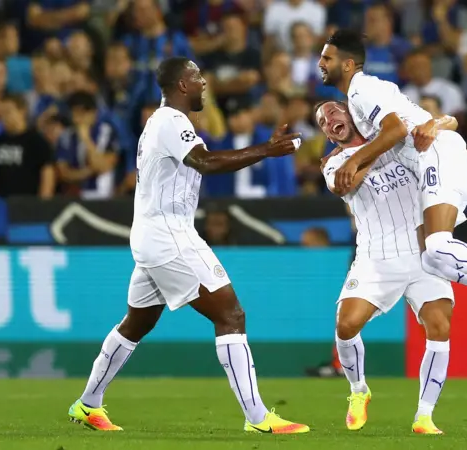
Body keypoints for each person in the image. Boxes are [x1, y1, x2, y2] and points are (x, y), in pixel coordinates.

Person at [67, 56, 309, 435]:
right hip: (168, 234)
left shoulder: (161, 123)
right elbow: (206, 162)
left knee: (136, 323)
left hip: (151, 234)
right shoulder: (170, 121)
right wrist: (266, 150)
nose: (203, 84)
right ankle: (259, 417)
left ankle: (87, 404)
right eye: (197, 77)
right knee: (230, 315)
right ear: (182, 84)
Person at [318, 29, 467, 339]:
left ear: (347, 64)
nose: (320, 63)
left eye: (326, 57)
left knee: (436, 246)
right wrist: (440, 122)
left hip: (435, 155)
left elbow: (395, 130)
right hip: (434, 156)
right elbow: (424, 121)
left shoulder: (360, 90)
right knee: (433, 257)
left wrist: (355, 161)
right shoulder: (360, 98)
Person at [316, 100, 457, 434]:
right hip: (375, 258)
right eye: (322, 121)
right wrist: (388, 140)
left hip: (422, 254)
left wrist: (430, 127)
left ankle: (424, 415)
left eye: (334, 111)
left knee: (439, 326)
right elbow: (345, 183)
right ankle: (358, 390)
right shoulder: (333, 163)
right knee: (346, 326)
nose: (329, 119)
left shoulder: (393, 136)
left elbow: (449, 122)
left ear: (352, 114)